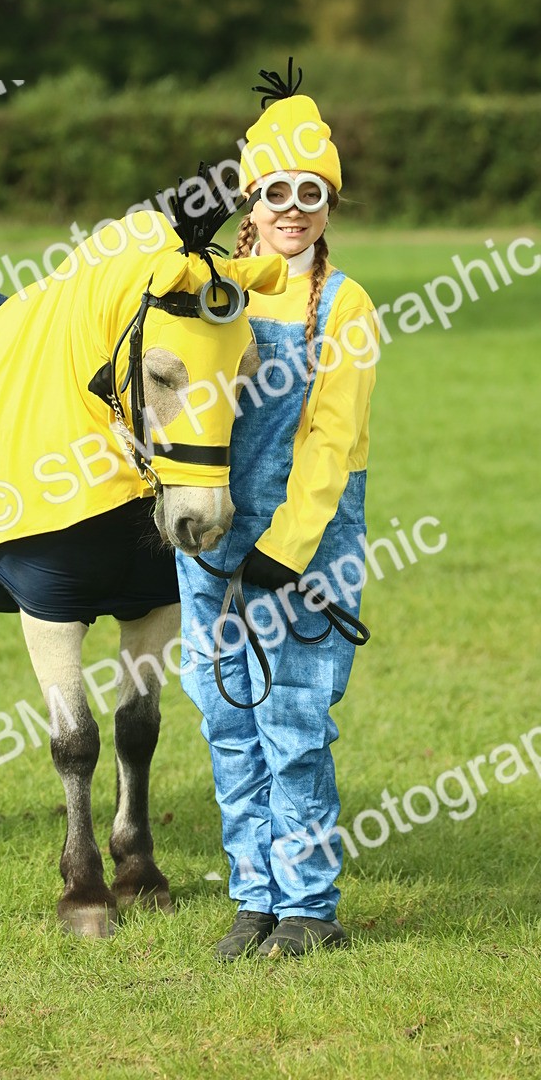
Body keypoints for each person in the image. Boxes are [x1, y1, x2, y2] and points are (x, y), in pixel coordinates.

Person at [176, 63, 380, 960]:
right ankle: (252, 896)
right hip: (212, 543)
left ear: (327, 202)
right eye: (274, 193)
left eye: (311, 192)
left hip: (305, 549)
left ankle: (309, 907)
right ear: (248, 201)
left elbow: (332, 444)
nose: (293, 208)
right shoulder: (215, 289)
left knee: (293, 723)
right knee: (226, 721)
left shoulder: (348, 305)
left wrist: (286, 549)